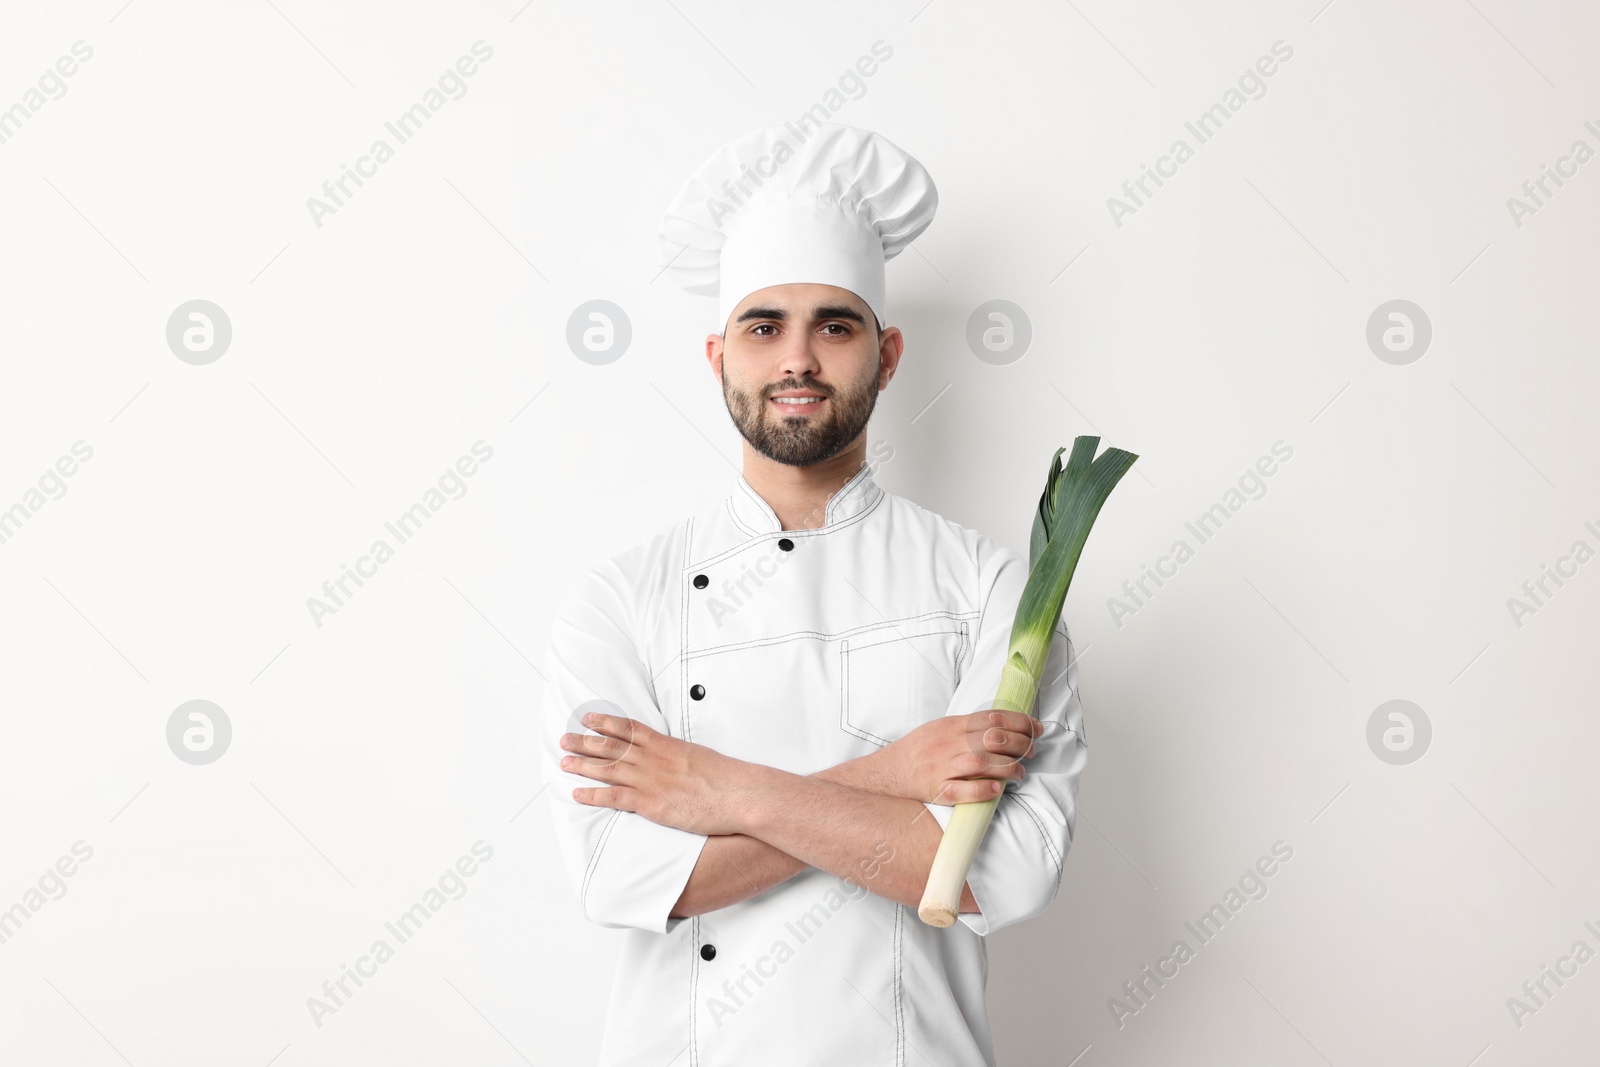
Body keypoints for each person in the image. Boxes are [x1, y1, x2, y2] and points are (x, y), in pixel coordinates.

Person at [540, 121, 1088, 1066]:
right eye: (765, 326)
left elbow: (1000, 874)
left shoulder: (991, 586)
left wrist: (719, 792)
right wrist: (897, 776)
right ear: (718, 356)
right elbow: (620, 878)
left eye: (835, 324)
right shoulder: (622, 599)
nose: (798, 359)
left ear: (888, 353)